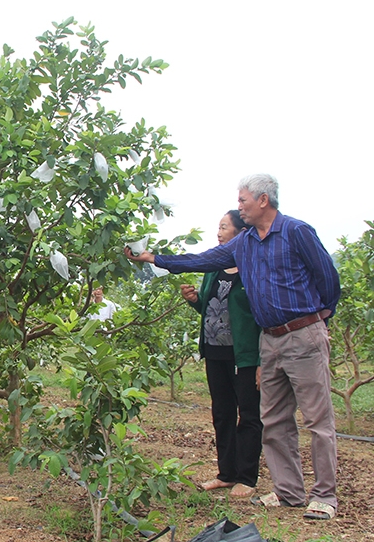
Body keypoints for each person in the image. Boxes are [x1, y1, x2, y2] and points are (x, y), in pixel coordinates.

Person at [125, 174, 340, 520]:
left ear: (263, 201)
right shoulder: (246, 243)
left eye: (242, 201)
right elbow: (203, 260)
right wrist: (154, 258)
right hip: (268, 338)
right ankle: (289, 491)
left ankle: (325, 496)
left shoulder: (297, 232)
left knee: (317, 419)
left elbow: (328, 278)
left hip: (303, 334)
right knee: (274, 419)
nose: (239, 206)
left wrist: (319, 322)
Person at [179, 210, 262, 499]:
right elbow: (211, 309)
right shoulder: (214, 269)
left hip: (244, 355)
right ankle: (226, 474)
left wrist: (263, 359)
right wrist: (195, 301)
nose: (219, 232)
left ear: (240, 233)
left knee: (249, 415)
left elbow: (259, 314)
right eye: (219, 227)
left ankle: (247, 477)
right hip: (215, 352)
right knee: (222, 413)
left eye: (224, 227)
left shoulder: (252, 269)